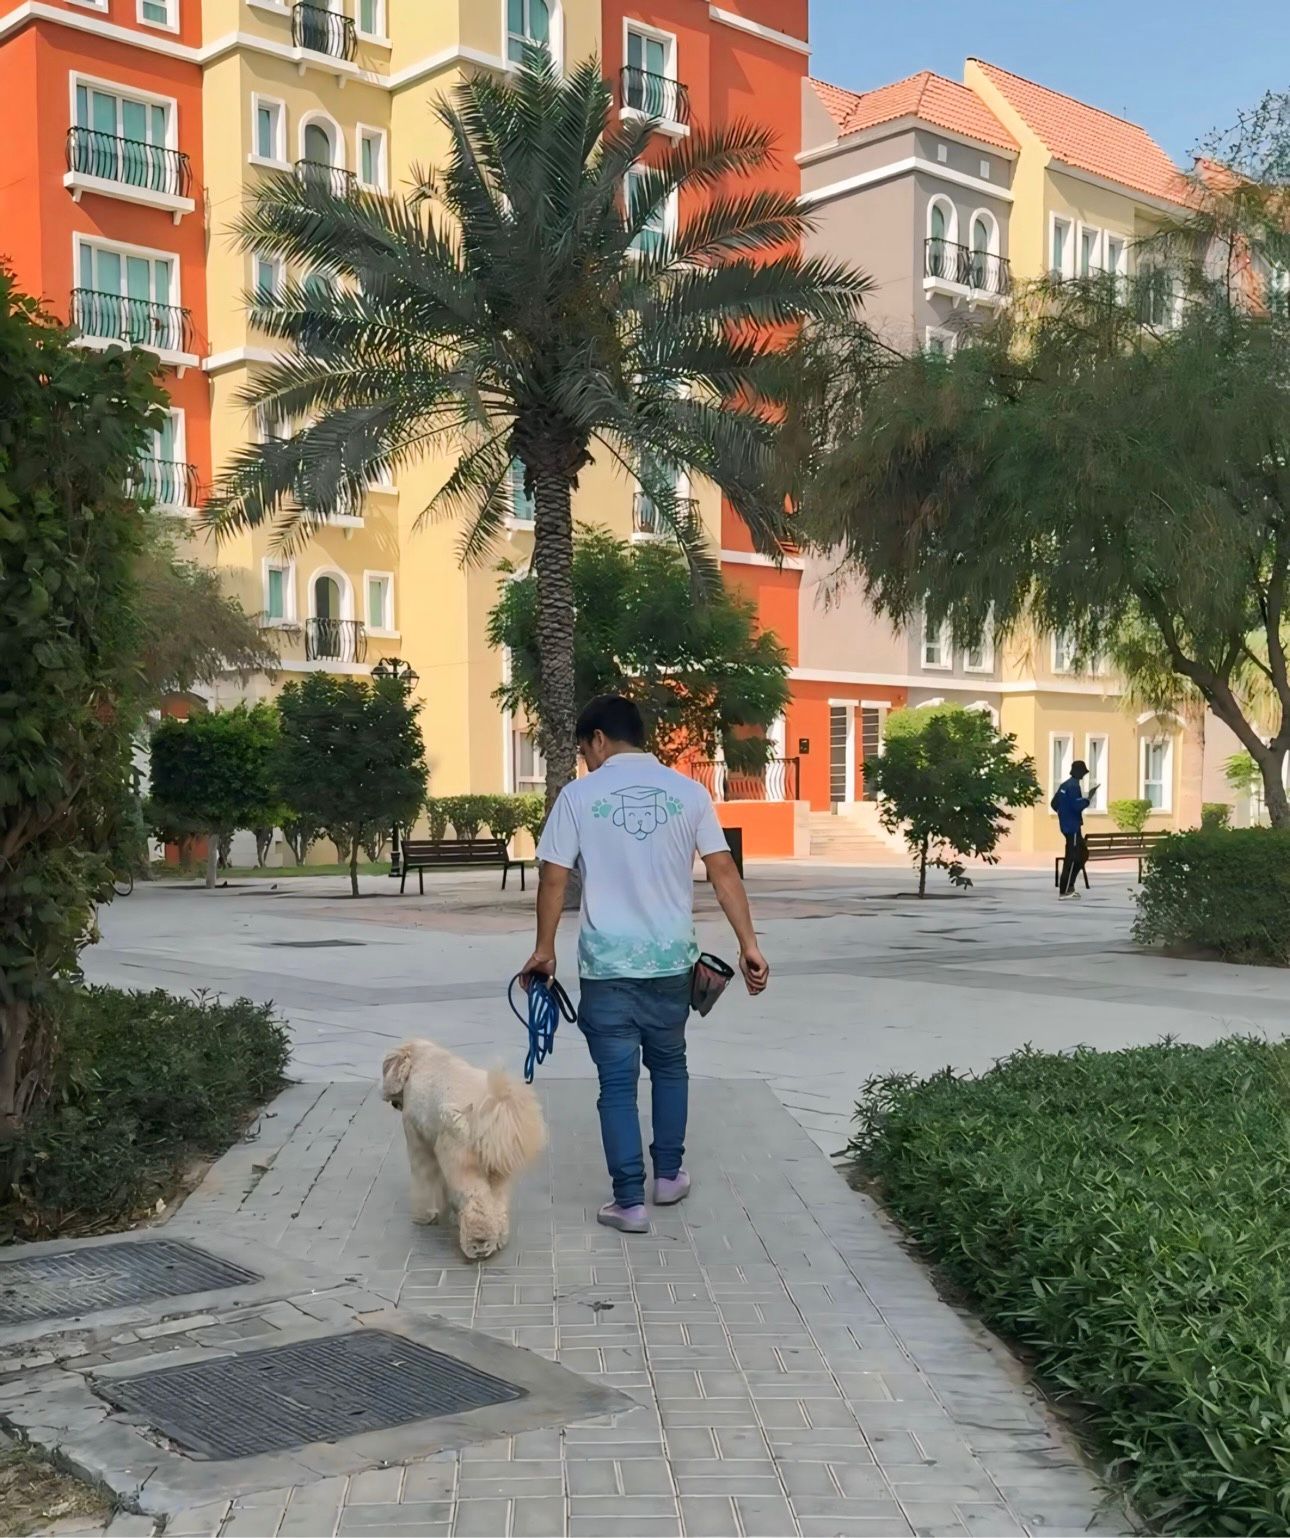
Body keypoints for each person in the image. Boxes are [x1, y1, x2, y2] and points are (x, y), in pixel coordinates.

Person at [520, 695, 770, 1234]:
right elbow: (722, 871)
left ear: (599, 740)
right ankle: (669, 1176)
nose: (586, 760)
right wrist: (748, 942)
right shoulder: (690, 793)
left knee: (616, 1085)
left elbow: (553, 878)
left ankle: (629, 1203)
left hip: (607, 970)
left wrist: (545, 951)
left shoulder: (578, 798)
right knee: (670, 1066)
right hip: (669, 968)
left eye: (585, 749)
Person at [1053, 758, 1093, 899]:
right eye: (1083, 772)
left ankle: (1070, 886)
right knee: (1072, 857)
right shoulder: (1074, 786)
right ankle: (1065, 890)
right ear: (1078, 772)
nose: (1083, 775)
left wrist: (1063, 813)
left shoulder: (1064, 785)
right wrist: (1088, 800)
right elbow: (1077, 806)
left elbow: (1054, 803)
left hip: (1066, 825)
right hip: (1073, 826)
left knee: (1082, 854)